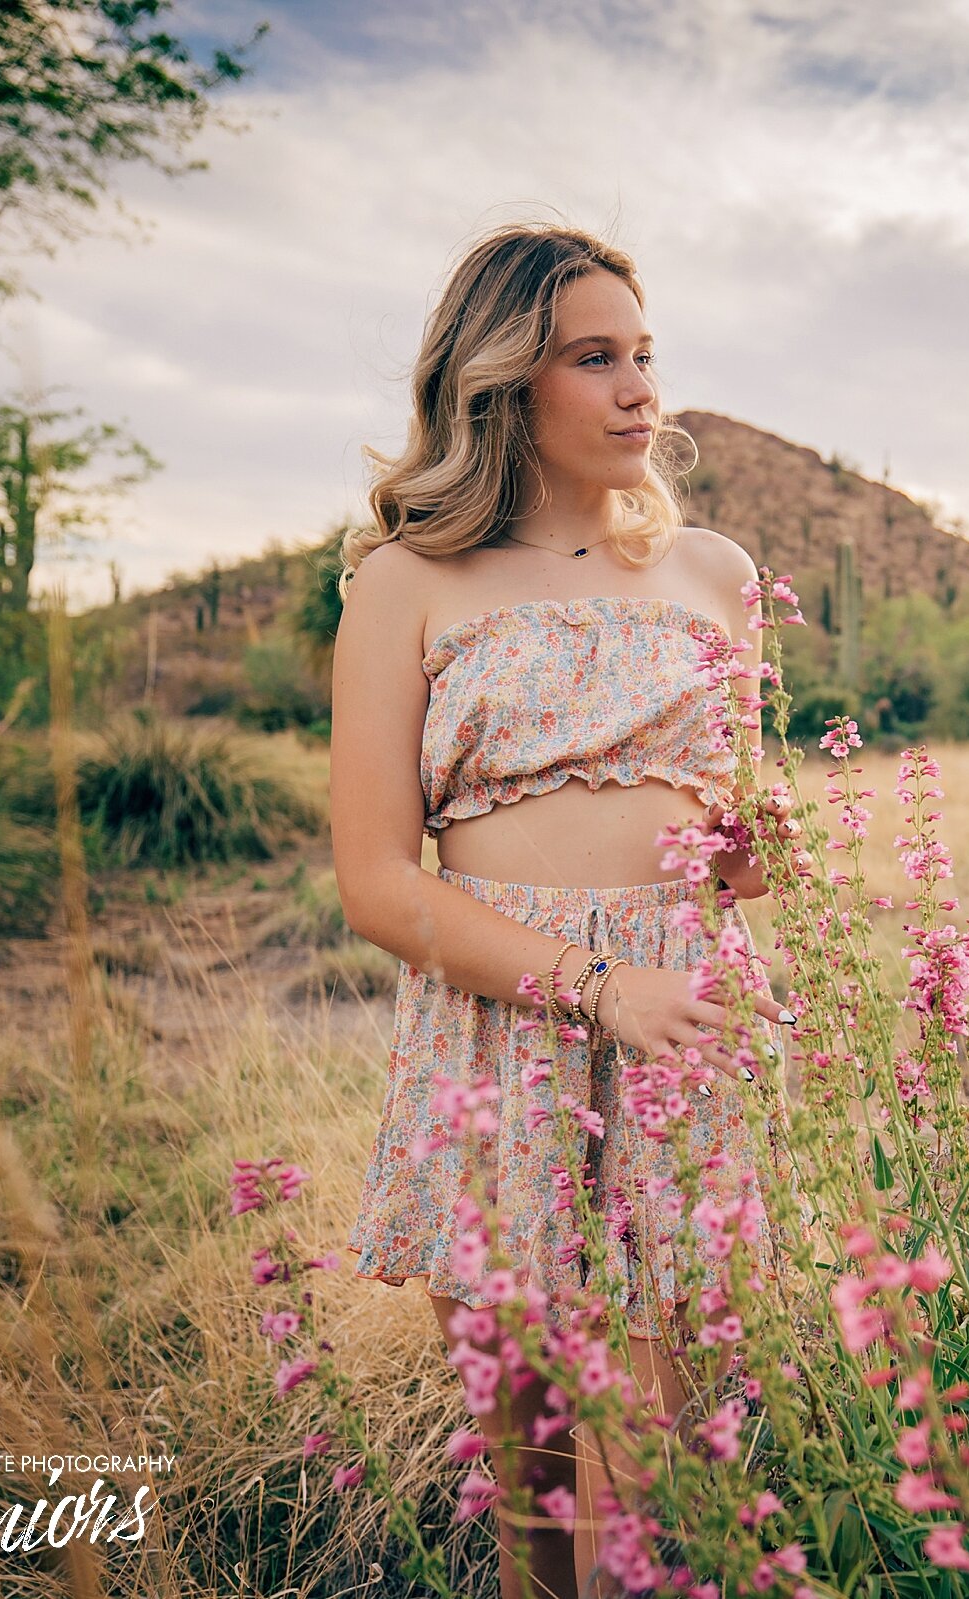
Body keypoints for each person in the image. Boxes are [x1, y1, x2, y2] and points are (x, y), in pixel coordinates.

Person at [329, 221, 809, 1599]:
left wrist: (754, 848)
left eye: (645, 355)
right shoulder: (404, 586)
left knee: (644, 1497)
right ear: (500, 386)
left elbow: (745, 849)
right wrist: (598, 984)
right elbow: (376, 883)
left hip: (682, 1032)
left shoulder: (715, 574)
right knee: (533, 1497)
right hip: (502, 1033)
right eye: (593, 359)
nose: (639, 389)